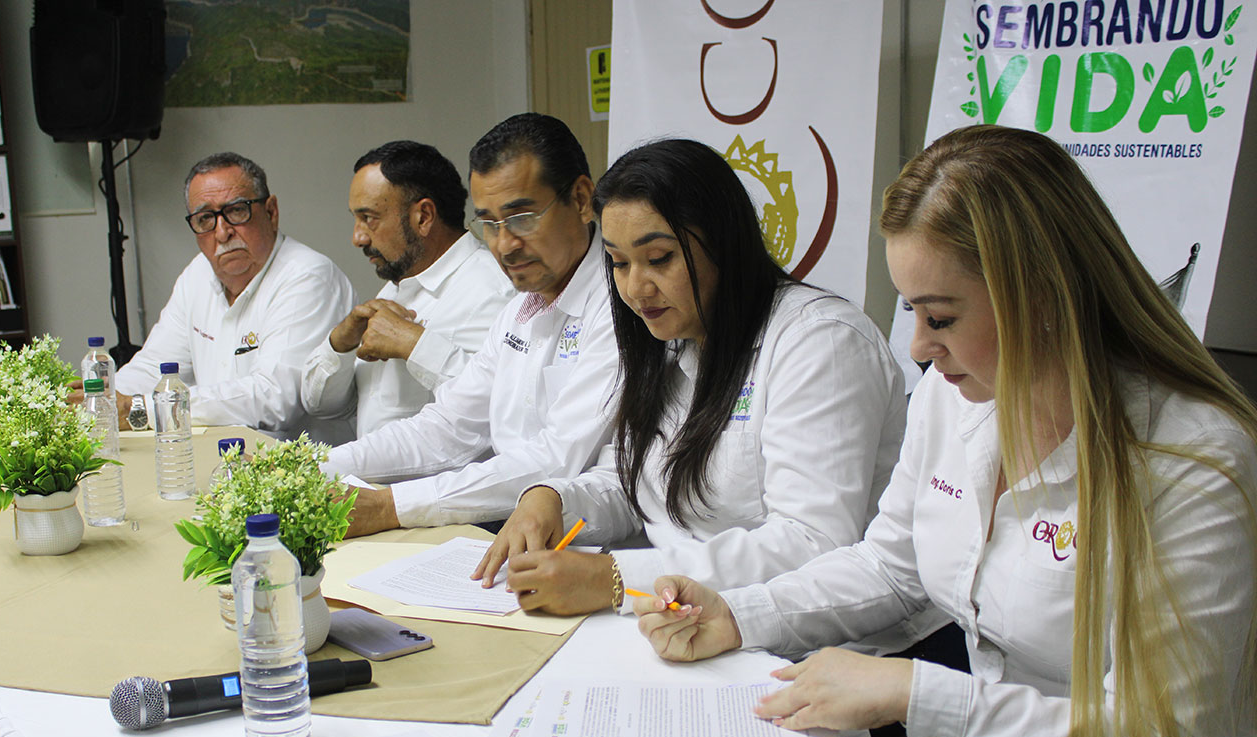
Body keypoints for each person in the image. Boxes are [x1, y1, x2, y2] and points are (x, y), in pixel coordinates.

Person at [634, 124, 1257, 737]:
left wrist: (910, 691)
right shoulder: (955, 391)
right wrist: (738, 613)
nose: (920, 347)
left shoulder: (1190, 459)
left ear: (1044, 292)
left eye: (941, 314)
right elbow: (892, 567)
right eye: (913, 311)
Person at [471, 138, 907, 618]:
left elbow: (811, 543)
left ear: (724, 243)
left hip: (801, 635)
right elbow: (630, 482)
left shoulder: (819, 342)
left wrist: (617, 580)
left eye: (659, 258)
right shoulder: (669, 335)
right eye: (617, 263)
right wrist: (552, 497)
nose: (636, 288)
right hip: (676, 617)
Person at [327, 113, 619, 536]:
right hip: (517, 537)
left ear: (580, 198)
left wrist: (391, 507)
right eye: (489, 224)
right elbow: (448, 427)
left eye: (521, 218)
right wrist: (318, 466)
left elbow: (557, 457)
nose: (505, 245)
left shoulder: (619, 301)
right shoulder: (523, 306)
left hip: (599, 553)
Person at [87, 152, 356, 442]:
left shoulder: (307, 275)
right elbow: (155, 366)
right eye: (205, 219)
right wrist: (102, 401)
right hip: (224, 462)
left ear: (271, 212)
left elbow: (275, 398)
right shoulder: (198, 274)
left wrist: (139, 410)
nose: (223, 232)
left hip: (305, 473)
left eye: (237, 211)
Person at [300, 141, 513, 435]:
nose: (358, 238)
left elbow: (507, 411)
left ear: (423, 217)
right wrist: (340, 343)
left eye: (369, 218)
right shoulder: (392, 290)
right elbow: (324, 407)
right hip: (367, 476)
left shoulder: (494, 291)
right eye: (356, 219)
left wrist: (417, 346)